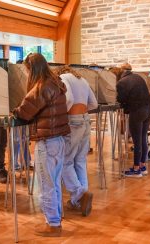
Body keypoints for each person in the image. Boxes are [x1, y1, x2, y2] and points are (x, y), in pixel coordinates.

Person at [12, 53, 70, 237]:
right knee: (54, 183)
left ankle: (52, 224)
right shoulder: (56, 83)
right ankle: (56, 220)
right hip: (59, 140)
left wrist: (14, 111)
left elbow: (25, 111)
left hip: (46, 142)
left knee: (46, 185)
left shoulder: (41, 87)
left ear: (32, 68)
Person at [55, 66, 98, 216]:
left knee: (66, 161)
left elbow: (69, 99)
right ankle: (78, 201)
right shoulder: (83, 80)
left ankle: (79, 194)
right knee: (80, 160)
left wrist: (64, 113)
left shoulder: (63, 79)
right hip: (86, 119)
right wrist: (82, 112)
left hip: (73, 121)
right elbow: (94, 103)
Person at [116, 63, 150, 177]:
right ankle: (142, 166)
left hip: (137, 111)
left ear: (121, 72)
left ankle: (136, 169)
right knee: (143, 138)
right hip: (148, 109)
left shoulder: (121, 82)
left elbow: (121, 99)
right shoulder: (138, 77)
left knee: (137, 141)